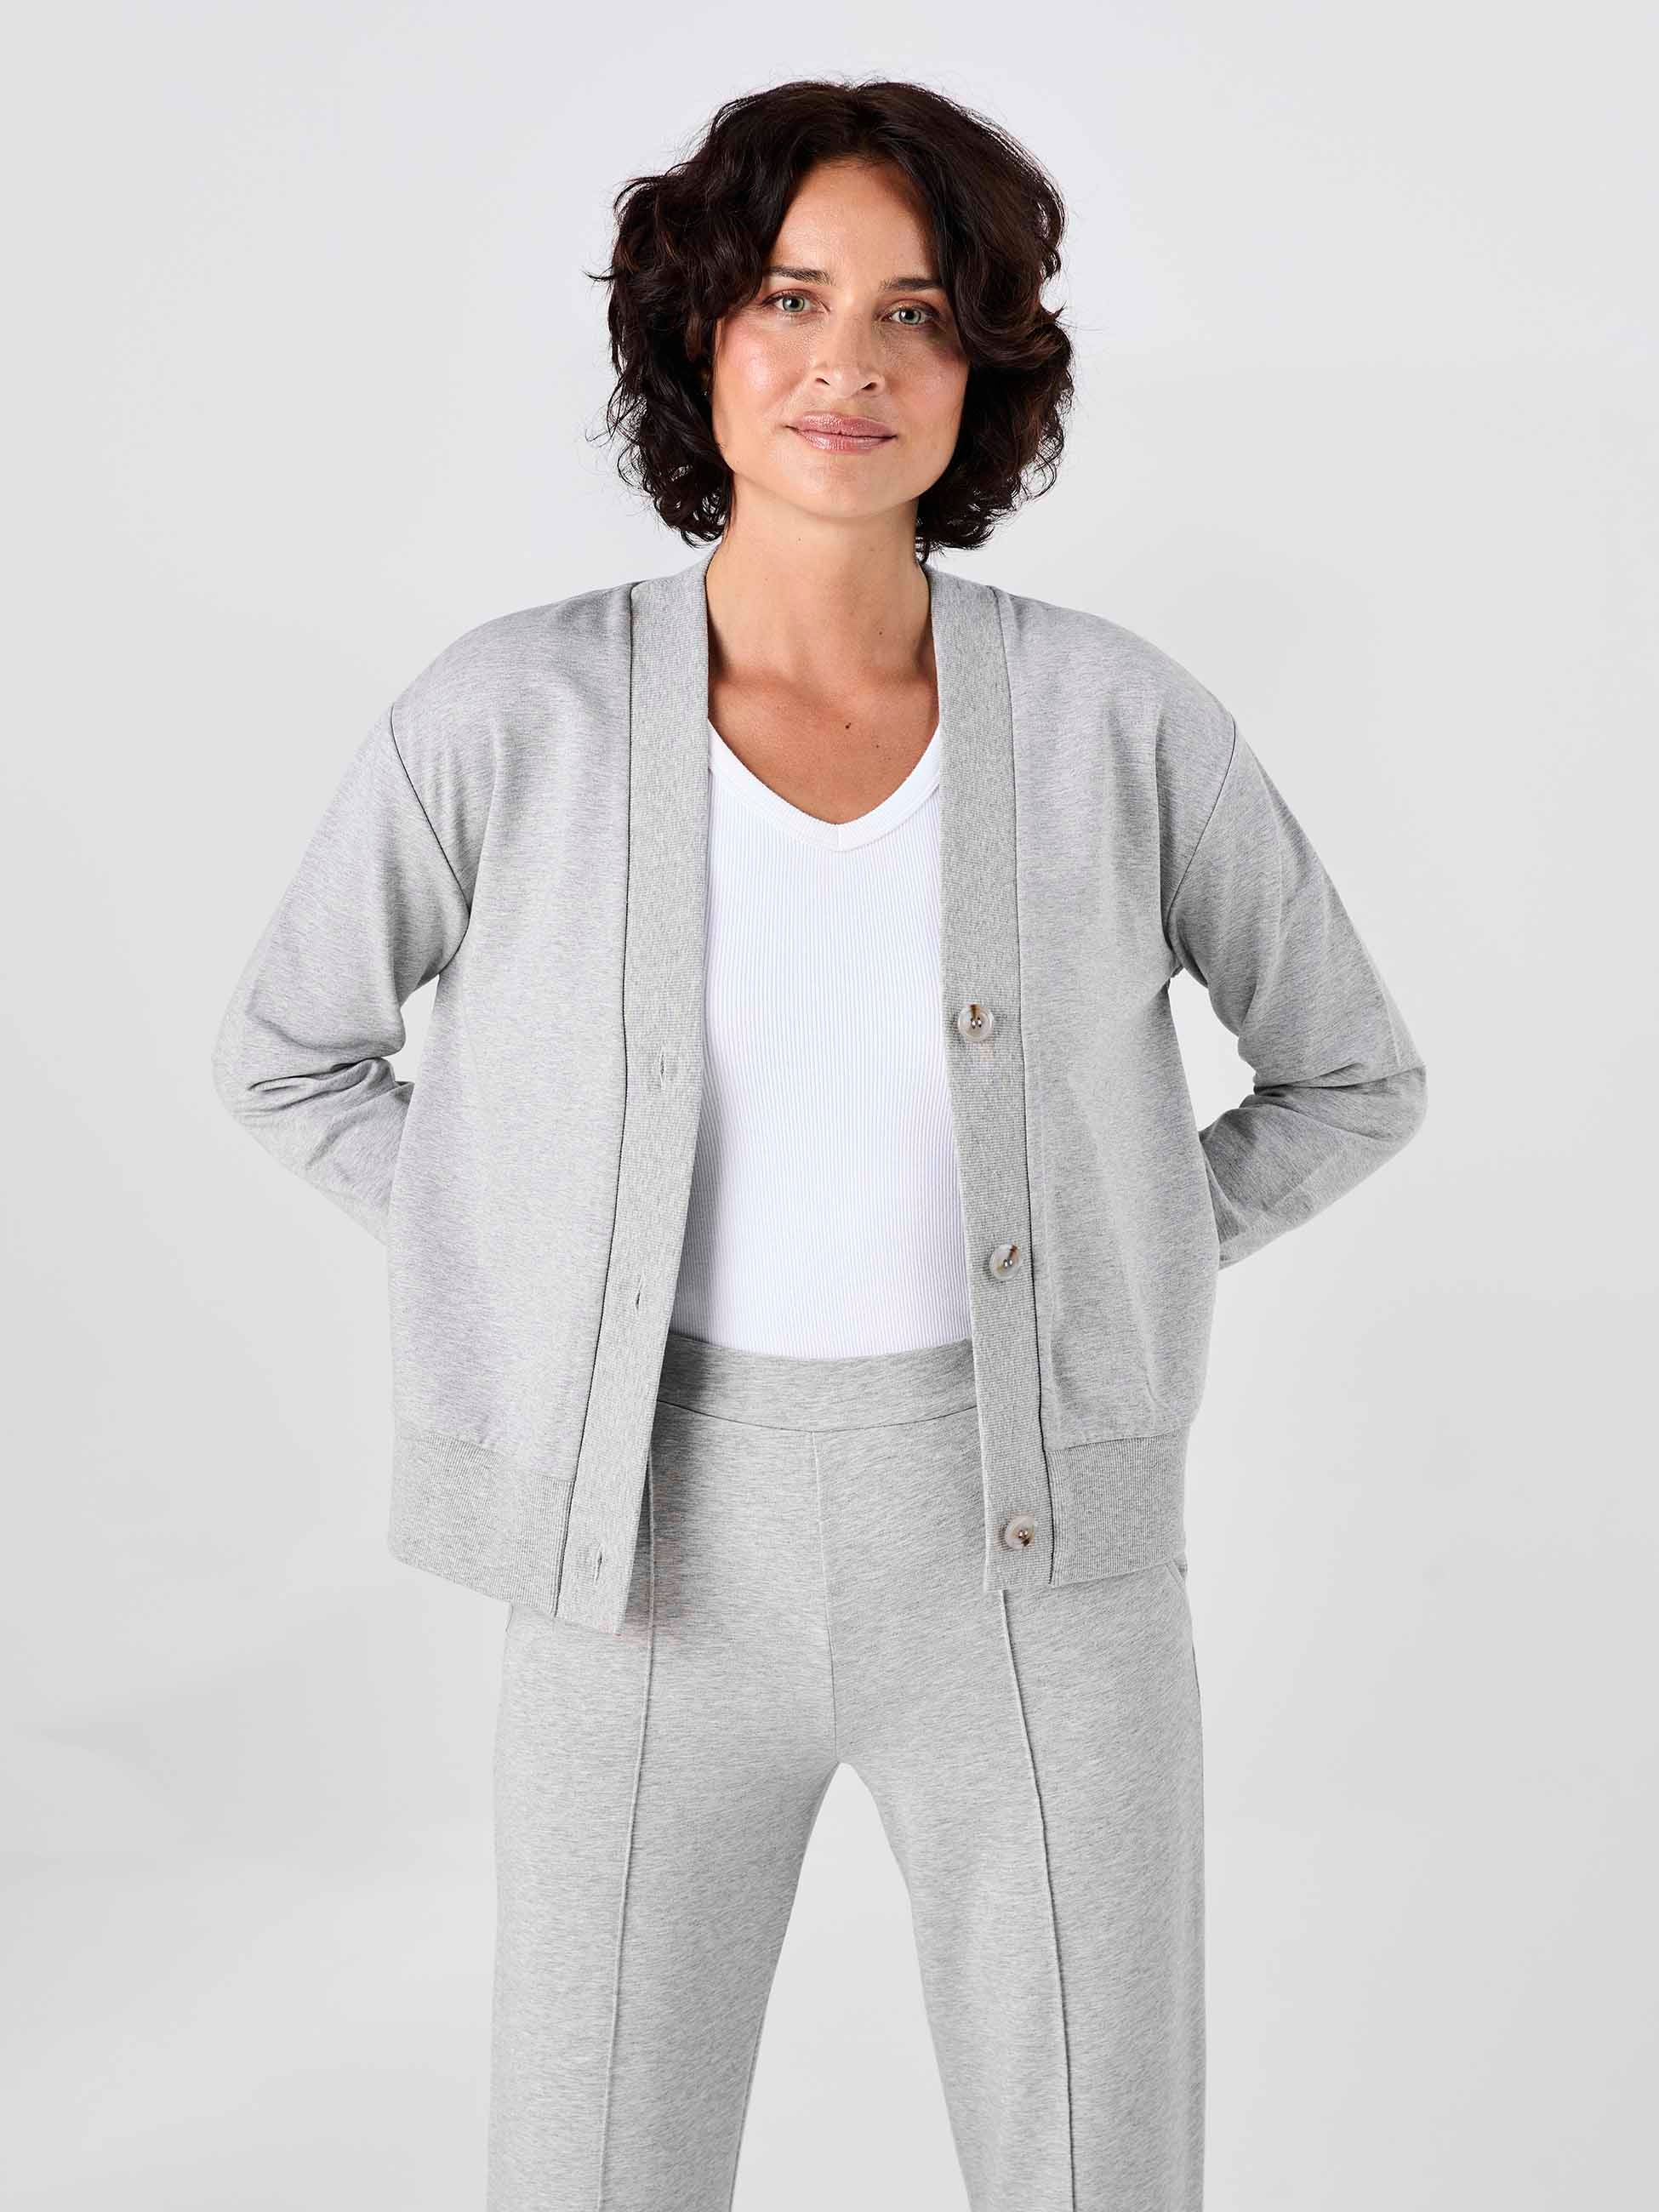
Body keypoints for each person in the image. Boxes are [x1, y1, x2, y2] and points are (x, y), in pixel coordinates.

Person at [213, 77, 1428, 2212]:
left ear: (985, 367)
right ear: (698, 332)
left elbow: (1350, 1074)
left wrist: (1103, 1257)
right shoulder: (509, 720)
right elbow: (290, 1055)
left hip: (1041, 1567)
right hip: (640, 1566)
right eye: (789, 298)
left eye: (915, 312)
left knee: (1098, 2166)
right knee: (590, 2165)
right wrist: (541, 1259)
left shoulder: (1123, 725)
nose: (847, 362)